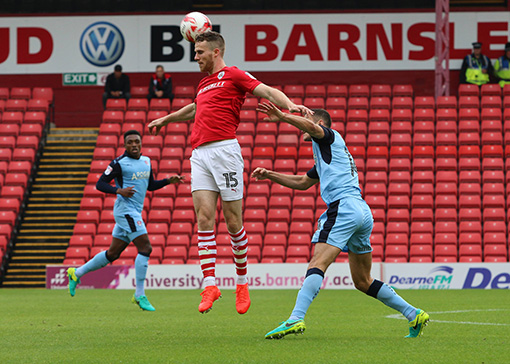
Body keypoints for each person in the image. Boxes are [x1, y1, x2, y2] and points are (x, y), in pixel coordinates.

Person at [147, 31, 311, 315]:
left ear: (216, 52)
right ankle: (210, 285)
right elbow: (196, 109)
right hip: (199, 154)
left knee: (233, 221)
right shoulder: (204, 83)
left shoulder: (234, 75)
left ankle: (242, 283)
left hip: (225, 152)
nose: (195, 57)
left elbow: (267, 91)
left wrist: (289, 105)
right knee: (204, 217)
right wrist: (166, 118)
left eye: (199, 53)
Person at [251, 103, 429, 339]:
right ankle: (413, 314)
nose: (303, 126)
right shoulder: (327, 154)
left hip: (343, 208)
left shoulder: (329, 136)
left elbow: (312, 128)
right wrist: (270, 175)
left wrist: (283, 116)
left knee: (317, 264)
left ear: (320, 124)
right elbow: (303, 183)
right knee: (363, 281)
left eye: (309, 122)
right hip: (361, 211)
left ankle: (295, 318)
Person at [67, 130, 184, 311]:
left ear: (141, 143)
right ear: (125, 145)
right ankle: (139, 294)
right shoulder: (119, 163)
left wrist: (168, 181)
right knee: (146, 248)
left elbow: (150, 185)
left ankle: (77, 273)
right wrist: (118, 190)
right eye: (130, 142)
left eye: (137, 141)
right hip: (125, 212)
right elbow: (100, 184)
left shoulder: (147, 162)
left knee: (113, 254)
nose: (134, 145)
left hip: (134, 211)